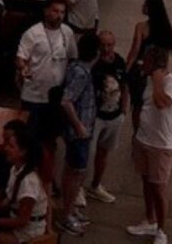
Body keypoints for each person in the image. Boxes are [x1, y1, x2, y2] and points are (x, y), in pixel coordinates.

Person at [126, 46, 172, 244]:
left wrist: (158, 78)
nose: (143, 64)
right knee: (146, 182)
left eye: (147, 62)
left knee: (159, 188)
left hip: (162, 145)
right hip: (144, 139)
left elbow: (161, 103)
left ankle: (161, 230)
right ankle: (149, 219)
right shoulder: (149, 82)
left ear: (156, 65)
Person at [57, 32, 100, 236]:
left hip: (79, 132)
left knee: (70, 170)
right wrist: (79, 126)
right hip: (79, 134)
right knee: (77, 172)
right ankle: (66, 216)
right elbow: (66, 100)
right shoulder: (82, 73)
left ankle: (70, 209)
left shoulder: (76, 68)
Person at [126, 0, 172, 130]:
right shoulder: (166, 30)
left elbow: (135, 50)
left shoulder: (141, 26)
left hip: (141, 70)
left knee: (137, 104)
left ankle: (137, 132)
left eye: (145, 5)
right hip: (158, 72)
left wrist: (127, 68)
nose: (142, 6)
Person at [16, 0, 77, 126]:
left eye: (62, 12)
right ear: (46, 12)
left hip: (55, 97)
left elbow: (72, 58)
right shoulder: (33, 33)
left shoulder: (67, 32)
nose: (59, 16)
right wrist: (23, 68)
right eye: (55, 11)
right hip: (33, 95)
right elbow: (21, 57)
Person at [0, 122, 49, 243]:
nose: (6, 148)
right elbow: (10, 199)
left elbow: (22, 220)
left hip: (29, 232)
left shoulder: (29, 183)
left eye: (11, 146)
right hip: (18, 224)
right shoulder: (15, 169)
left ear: (23, 152)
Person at [87, 31, 129, 203]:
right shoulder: (93, 65)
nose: (106, 48)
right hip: (95, 116)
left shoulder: (119, 62)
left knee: (103, 152)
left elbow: (125, 85)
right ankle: (77, 188)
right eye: (102, 45)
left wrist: (124, 110)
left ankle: (96, 185)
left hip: (114, 115)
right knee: (88, 153)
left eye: (109, 45)